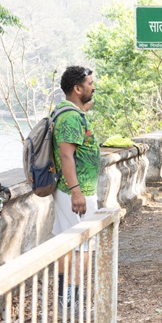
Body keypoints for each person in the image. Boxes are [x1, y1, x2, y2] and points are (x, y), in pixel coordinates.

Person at [52, 65, 99, 309]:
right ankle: (71, 300)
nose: (93, 87)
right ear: (77, 88)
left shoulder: (67, 110)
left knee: (68, 243)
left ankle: (64, 299)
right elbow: (67, 155)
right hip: (78, 192)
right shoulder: (71, 117)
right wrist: (77, 191)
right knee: (84, 246)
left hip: (69, 189)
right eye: (89, 83)